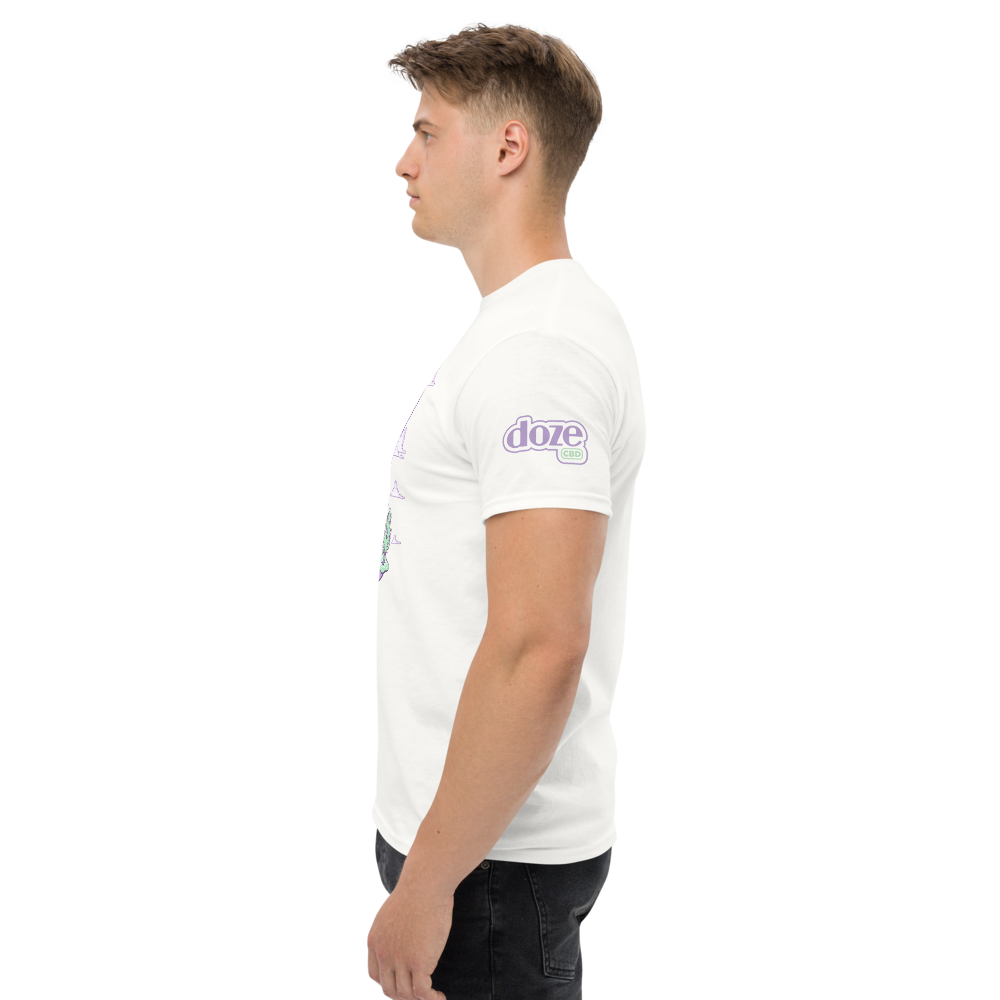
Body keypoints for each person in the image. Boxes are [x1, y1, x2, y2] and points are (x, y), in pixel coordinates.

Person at [371, 20, 646, 1000]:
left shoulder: (541, 355)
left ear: (508, 148)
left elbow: (540, 644)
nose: (404, 161)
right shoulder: (523, 331)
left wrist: (430, 881)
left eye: (426, 131)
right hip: (475, 853)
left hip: (488, 872)